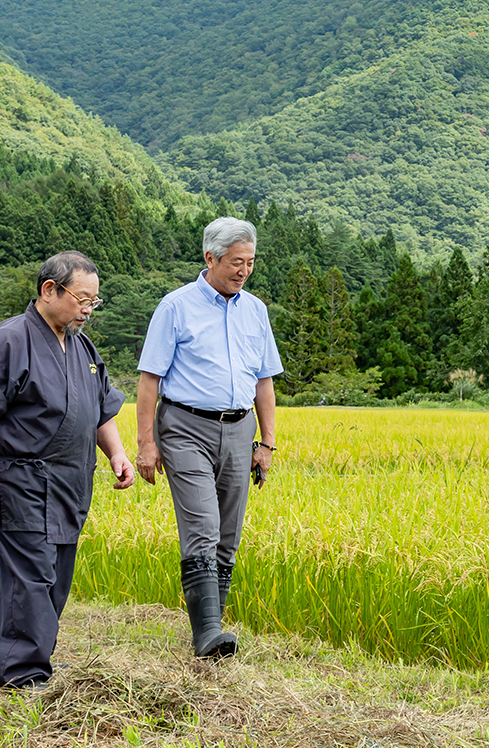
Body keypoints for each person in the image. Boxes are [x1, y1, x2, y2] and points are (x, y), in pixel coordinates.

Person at [0, 250, 135, 689]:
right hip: (21, 479)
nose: (88, 311)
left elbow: (99, 408)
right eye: (82, 300)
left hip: (70, 482)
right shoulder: (10, 339)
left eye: (94, 302)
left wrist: (117, 453)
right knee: (31, 576)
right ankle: (23, 674)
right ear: (49, 290)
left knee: (54, 576)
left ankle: (15, 654)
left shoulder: (82, 345)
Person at [135, 217, 283, 657]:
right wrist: (146, 443)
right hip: (184, 427)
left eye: (250, 263)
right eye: (236, 262)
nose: (243, 270)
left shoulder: (255, 310)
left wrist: (267, 442)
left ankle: (213, 626)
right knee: (202, 524)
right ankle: (207, 633)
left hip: (240, 431)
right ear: (210, 258)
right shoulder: (175, 306)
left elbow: (264, 383)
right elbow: (148, 380)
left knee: (229, 532)